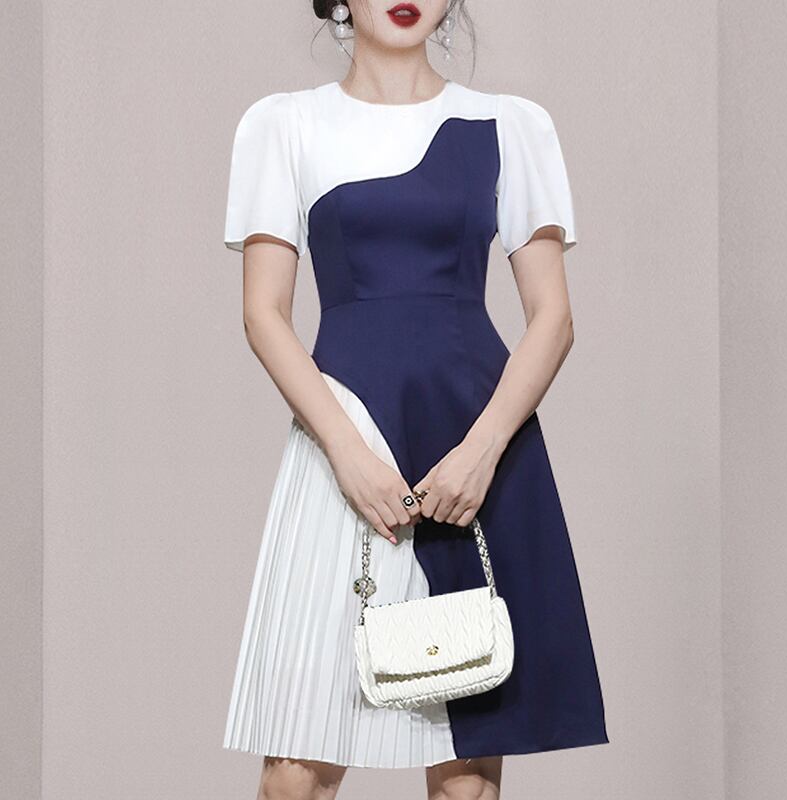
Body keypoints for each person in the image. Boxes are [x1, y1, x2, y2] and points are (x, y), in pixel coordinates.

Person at [221, 1, 609, 797]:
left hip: (474, 444)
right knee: (295, 775)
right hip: (343, 440)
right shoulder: (285, 125)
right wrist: (346, 453)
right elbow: (264, 314)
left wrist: (482, 452)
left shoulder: (509, 125)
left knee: (465, 778)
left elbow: (554, 317)